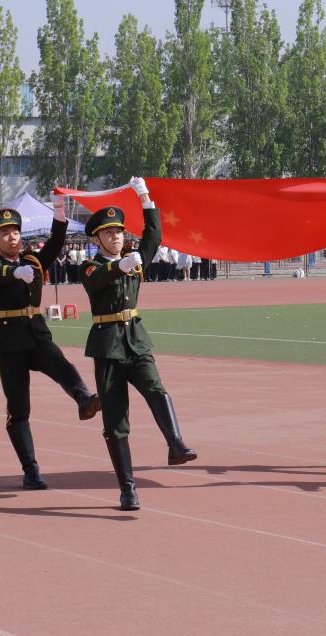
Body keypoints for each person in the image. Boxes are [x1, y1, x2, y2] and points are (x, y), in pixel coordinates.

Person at [80, 177, 197, 511]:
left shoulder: (134, 259)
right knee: (116, 421)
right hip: (108, 346)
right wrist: (121, 265)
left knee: (156, 389)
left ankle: (175, 443)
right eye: (108, 233)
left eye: (118, 231)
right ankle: (127, 488)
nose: (116, 236)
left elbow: (154, 236)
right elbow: (100, 279)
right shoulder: (89, 266)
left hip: (135, 339)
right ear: (97, 238)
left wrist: (145, 198)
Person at [0, 198, 101, 491]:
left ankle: (84, 399)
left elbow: (55, 245)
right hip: (9, 340)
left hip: (36, 333)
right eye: (5, 233)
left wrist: (59, 214)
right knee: (18, 409)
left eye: (15, 232)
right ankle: (31, 470)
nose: (12, 237)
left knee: (62, 364)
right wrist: (13, 272)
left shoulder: (32, 260)